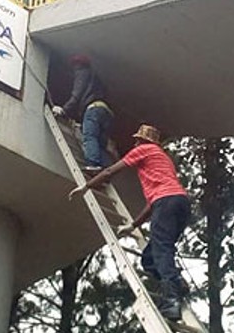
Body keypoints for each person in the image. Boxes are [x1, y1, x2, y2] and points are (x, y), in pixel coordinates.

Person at [70, 124, 191, 321]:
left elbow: (110, 172)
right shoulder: (163, 158)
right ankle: (177, 283)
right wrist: (133, 225)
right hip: (180, 203)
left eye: (137, 140)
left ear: (144, 141)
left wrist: (87, 186)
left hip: (166, 203)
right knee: (150, 258)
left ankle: (172, 301)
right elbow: (153, 203)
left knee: (162, 251)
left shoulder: (143, 150)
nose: (134, 143)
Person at [52, 55, 113, 172]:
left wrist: (64, 109)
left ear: (77, 66)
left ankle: (93, 164)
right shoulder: (96, 79)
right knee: (100, 144)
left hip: (93, 109)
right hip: (106, 112)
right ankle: (107, 170)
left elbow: (77, 94)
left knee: (89, 136)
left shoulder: (82, 73)